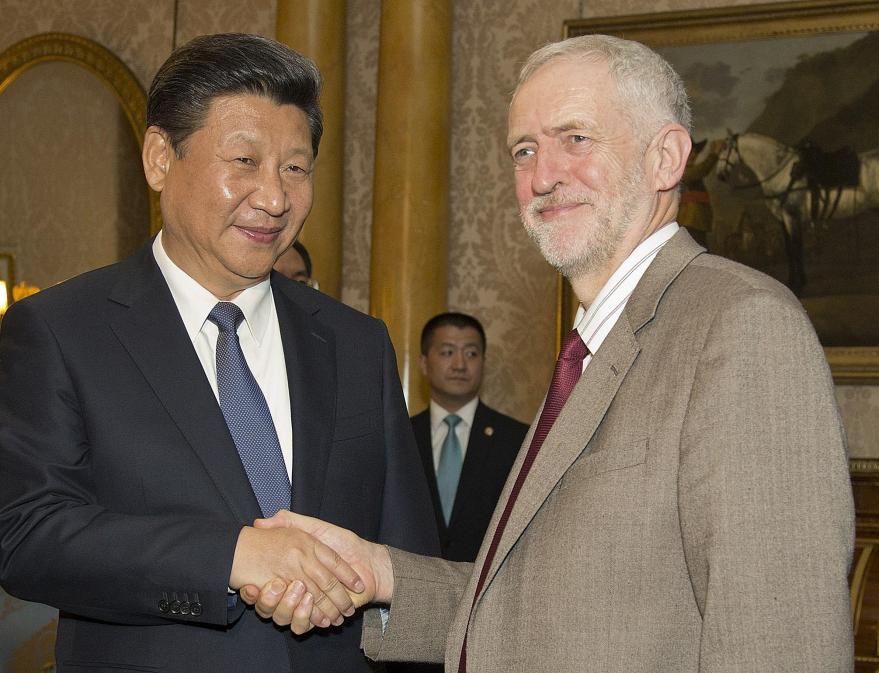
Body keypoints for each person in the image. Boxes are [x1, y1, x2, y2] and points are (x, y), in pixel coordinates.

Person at [243, 34, 855, 672]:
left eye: (577, 139)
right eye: (524, 150)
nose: (542, 177)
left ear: (666, 158)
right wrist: (379, 574)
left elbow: (784, 646)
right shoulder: (596, 345)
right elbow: (546, 609)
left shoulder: (742, 326)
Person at [0, 33, 438, 673]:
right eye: (244, 162)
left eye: (296, 168)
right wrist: (231, 555)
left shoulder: (357, 343)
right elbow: (28, 535)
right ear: (160, 159)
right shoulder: (62, 331)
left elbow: (411, 557)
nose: (275, 199)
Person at [412, 312, 528, 561]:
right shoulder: (401, 437)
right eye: (447, 352)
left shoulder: (517, 440)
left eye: (471, 353)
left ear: (483, 362)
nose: (460, 365)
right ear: (423, 363)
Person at [677, 138, 722, 248]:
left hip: (697, 222)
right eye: (691, 152)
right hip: (690, 222)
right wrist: (714, 154)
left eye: (695, 152)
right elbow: (701, 170)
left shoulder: (688, 170)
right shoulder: (683, 172)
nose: (694, 155)